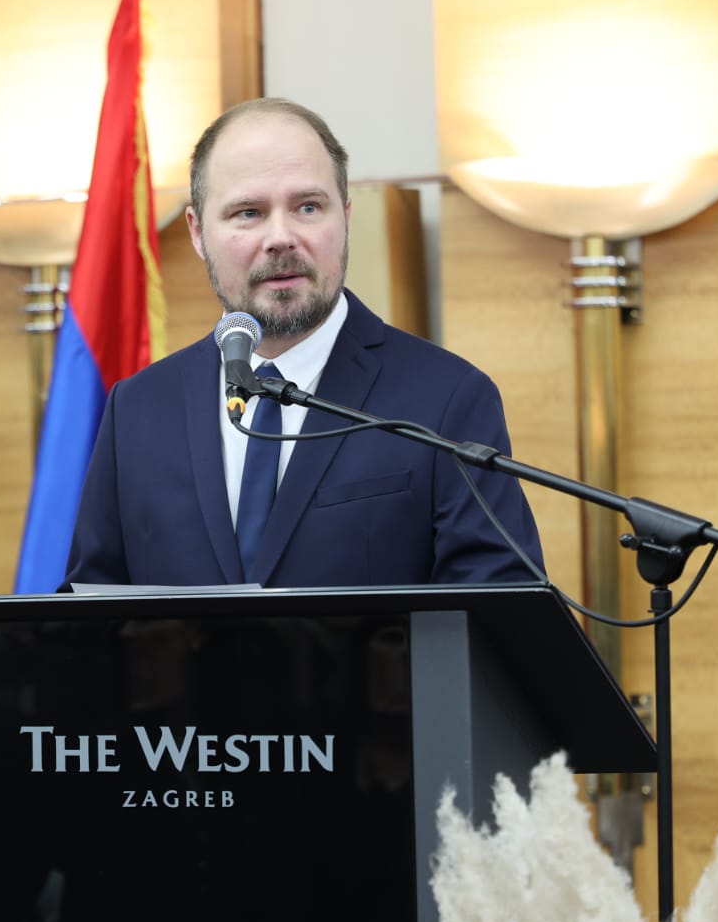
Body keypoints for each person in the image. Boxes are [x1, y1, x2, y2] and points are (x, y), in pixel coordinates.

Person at [64, 97, 544, 588]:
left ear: (346, 216)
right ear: (198, 232)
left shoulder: (447, 399)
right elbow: (89, 609)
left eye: (308, 207)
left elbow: (495, 607)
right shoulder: (137, 408)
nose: (281, 237)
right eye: (248, 213)